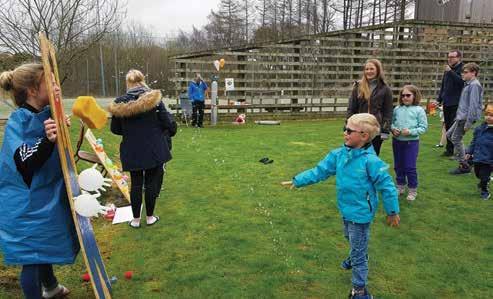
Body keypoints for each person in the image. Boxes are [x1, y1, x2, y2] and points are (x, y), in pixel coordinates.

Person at [282, 113, 400, 299]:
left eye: (349, 130)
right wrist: (298, 181)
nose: (344, 133)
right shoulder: (338, 155)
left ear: (364, 136)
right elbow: (320, 171)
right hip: (345, 209)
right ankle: (356, 255)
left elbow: (387, 187)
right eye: (345, 128)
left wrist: (392, 211)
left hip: (361, 214)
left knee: (358, 250)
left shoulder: (371, 162)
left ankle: (359, 290)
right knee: (350, 238)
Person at [0, 63, 79, 298]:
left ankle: (51, 287)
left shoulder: (46, 114)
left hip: (43, 196)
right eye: (50, 82)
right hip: (24, 201)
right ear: (33, 90)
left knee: (41, 245)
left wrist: (59, 132)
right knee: (31, 255)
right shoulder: (19, 120)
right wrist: (47, 140)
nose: (57, 87)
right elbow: (23, 160)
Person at [108, 69, 173, 228]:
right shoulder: (154, 100)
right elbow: (166, 121)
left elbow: (115, 129)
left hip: (132, 148)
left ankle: (136, 220)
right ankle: (150, 217)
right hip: (153, 147)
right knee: (151, 182)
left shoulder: (120, 103)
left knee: (136, 184)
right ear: (142, 80)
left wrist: (131, 131)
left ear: (128, 83)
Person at [347, 59, 393, 156]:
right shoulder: (358, 87)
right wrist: (348, 126)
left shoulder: (385, 89)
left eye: (372, 69)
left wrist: (385, 130)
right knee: (356, 156)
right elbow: (351, 108)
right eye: (366, 69)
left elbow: (388, 111)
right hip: (358, 128)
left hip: (375, 129)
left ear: (378, 70)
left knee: (372, 157)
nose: (369, 71)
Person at [391, 85, 428, 201]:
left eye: (408, 95)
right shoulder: (397, 109)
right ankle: (400, 186)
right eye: (403, 95)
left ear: (414, 96)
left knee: (410, 167)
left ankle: (412, 189)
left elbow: (423, 127)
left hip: (411, 143)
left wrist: (411, 132)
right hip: (397, 142)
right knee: (398, 165)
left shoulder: (419, 110)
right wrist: (393, 129)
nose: (405, 98)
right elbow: (391, 123)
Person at [447, 63, 483, 175]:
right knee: (449, 135)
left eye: (466, 72)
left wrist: (468, 122)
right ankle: (468, 156)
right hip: (460, 116)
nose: (463, 74)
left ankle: (464, 165)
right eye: (463, 72)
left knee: (456, 138)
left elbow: (473, 105)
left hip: (465, 117)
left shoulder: (475, 85)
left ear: (474, 73)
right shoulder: (468, 84)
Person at [436, 50, 464, 157]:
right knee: (447, 126)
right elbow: (444, 85)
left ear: (459, 58)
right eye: (449, 57)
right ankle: (449, 150)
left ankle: (457, 151)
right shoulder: (448, 69)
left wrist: (450, 72)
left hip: (457, 103)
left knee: (454, 127)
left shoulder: (462, 69)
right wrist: (439, 99)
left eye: (452, 57)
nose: (450, 59)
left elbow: (461, 82)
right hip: (447, 102)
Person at [465, 104, 493, 200]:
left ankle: (485, 191)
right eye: (487, 114)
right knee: (478, 173)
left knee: (484, 176)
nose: (488, 117)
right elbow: (474, 141)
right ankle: (483, 181)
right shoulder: (479, 129)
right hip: (477, 157)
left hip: (489, 160)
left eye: (491, 115)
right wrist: (469, 152)